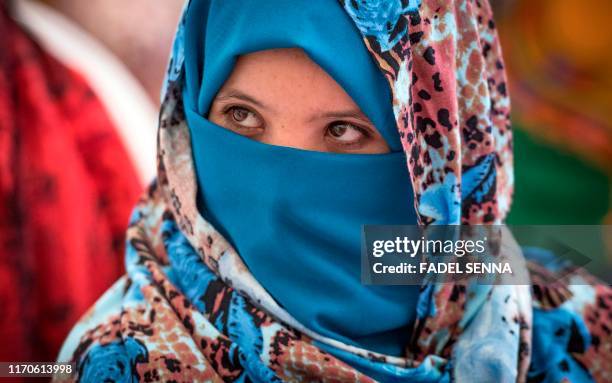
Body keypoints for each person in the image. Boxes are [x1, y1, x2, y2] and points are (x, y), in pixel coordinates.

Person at [56, 0, 611, 382]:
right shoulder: (123, 361)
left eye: (344, 131)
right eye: (241, 117)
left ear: (443, 167)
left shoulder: (581, 336)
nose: (280, 200)